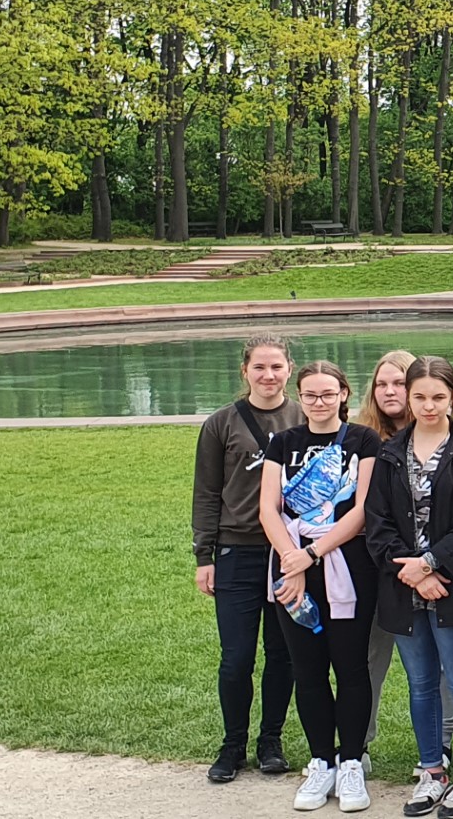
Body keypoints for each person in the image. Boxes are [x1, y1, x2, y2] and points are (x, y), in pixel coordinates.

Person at [363, 356, 453, 819]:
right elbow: (377, 521)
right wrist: (412, 570)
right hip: (403, 586)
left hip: (452, 585)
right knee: (420, 683)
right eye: (419, 396)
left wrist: (433, 564)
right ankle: (431, 771)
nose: (429, 405)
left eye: (438, 397)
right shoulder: (390, 451)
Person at [259, 360, 383, 812]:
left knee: (350, 667)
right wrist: (292, 562)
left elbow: (362, 510)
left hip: (347, 565)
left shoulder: (363, 440)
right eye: (310, 395)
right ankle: (321, 761)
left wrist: (311, 554)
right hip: (291, 566)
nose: (319, 402)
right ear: (300, 396)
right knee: (307, 669)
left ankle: (350, 762)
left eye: (328, 394)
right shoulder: (282, 443)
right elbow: (268, 509)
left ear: (343, 394)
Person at [195, 334, 303, 783]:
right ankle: (232, 744)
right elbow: (206, 492)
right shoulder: (221, 423)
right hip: (236, 550)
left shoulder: (305, 417)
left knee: (283, 653)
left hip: (289, 553)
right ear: (245, 371)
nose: (268, 375)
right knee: (237, 656)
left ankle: (270, 740)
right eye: (259, 367)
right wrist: (204, 555)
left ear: (289, 369)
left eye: (276, 366)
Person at [354, 350, 453, 768]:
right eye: (382, 384)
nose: (390, 391)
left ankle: (442, 742)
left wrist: (428, 566)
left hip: (437, 570)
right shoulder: (363, 440)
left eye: (399, 383)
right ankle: (358, 743)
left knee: (445, 665)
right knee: (369, 656)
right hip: (377, 565)